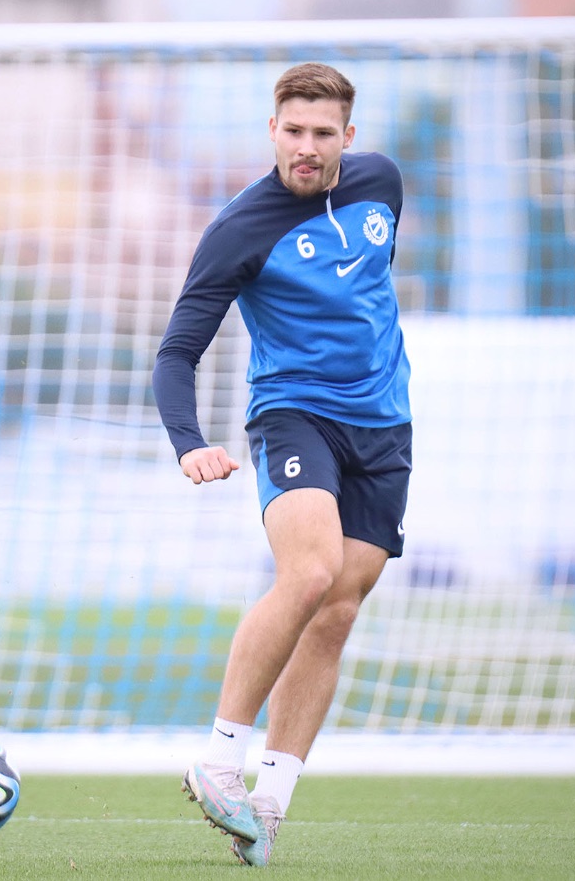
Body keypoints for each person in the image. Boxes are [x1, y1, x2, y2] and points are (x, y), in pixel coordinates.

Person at [151, 62, 412, 868]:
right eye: (292, 131)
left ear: (348, 138)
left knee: (337, 609)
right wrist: (189, 441)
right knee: (308, 573)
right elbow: (175, 353)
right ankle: (218, 759)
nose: (306, 147)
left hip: (385, 426)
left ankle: (267, 806)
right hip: (293, 414)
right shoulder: (239, 229)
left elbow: (363, 292)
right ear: (272, 130)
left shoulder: (382, 185)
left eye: (322, 134)